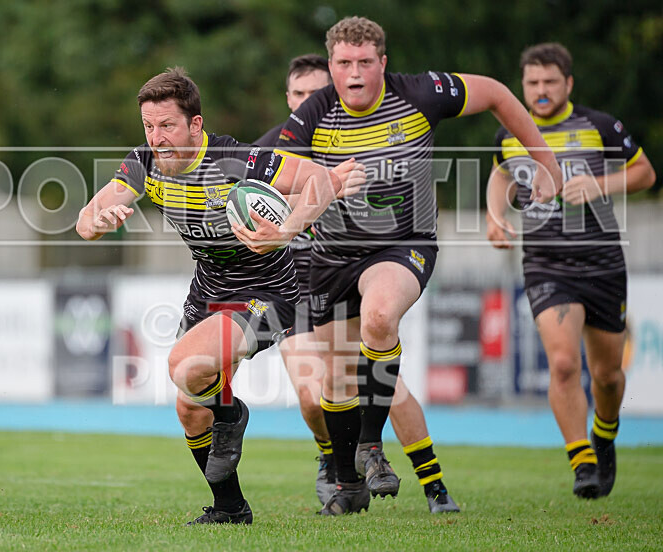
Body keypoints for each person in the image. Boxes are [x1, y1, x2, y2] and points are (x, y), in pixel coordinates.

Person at [276, 17, 562, 515]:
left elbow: (496, 93)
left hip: (403, 244)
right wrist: (326, 184)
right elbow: (279, 182)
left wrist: (546, 161)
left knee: (380, 316)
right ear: (332, 66)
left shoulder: (419, 93)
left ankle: (372, 445)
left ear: (383, 63)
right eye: (344, 63)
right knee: (336, 381)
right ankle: (349, 484)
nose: (355, 72)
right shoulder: (313, 114)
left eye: (365, 62)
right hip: (332, 257)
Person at [76, 67, 365, 525]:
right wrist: (97, 221)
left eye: (167, 125)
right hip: (209, 289)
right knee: (190, 408)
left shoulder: (239, 160)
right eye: (148, 126)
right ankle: (230, 508)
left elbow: (323, 180)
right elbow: (86, 220)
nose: (157, 138)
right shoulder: (145, 162)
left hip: (267, 291)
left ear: (196, 124)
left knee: (185, 365)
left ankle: (234, 417)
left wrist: (286, 230)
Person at [258, 53, 462, 514]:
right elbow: (237, 200)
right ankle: (336, 465)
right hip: (294, 282)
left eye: (315, 93)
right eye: (298, 94)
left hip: (344, 270)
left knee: (382, 380)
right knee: (312, 394)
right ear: (288, 99)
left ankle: (431, 483)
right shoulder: (272, 151)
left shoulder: (358, 139)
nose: (308, 102)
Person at [486, 43, 656, 499]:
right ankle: (582, 462)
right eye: (532, 83)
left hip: (602, 264)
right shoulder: (510, 133)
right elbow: (500, 174)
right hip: (547, 265)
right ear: (522, 86)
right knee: (562, 363)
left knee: (607, 375)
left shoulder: (599, 126)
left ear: (569, 83)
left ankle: (604, 433)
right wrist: (494, 216)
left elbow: (644, 173)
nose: (540, 90)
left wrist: (599, 184)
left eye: (550, 82)